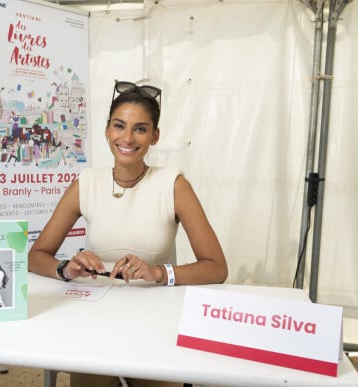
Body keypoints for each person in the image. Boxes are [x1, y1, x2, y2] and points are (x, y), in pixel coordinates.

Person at [28, 80, 228, 387]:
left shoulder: (174, 185)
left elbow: (216, 267)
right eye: (119, 126)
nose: (127, 138)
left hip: (155, 319)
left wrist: (158, 272)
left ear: (154, 136)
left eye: (140, 129)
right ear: (107, 130)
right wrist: (66, 269)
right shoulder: (86, 183)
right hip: (96, 317)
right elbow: (36, 256)